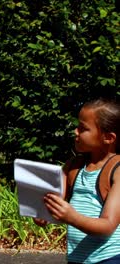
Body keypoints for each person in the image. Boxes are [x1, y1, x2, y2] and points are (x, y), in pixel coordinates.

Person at [36, 99, 120, 263]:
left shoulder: (117, 170)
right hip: (77, 258)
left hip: (109, 258)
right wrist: (44, 214)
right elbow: (55, 205)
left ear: (108, 138)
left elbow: (108, 225)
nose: (75, 132)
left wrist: (72, 217)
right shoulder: (73, 166)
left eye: (83, 128)